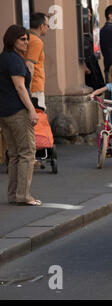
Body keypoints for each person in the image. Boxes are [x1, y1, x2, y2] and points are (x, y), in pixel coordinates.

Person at [0, 25, 41, 206]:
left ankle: (14, 195)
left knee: (15, 154)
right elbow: (20, 87)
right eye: (22, 39)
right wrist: (32, 109)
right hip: (17, 112)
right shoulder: (15, 60)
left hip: (4, 112)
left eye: (27, 39)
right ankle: (24, 195)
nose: (26, 42)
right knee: (27, 153)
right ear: (12, 41)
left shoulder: (3, 59)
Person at [24, 12, 49, 111]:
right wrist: (28, 90)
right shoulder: (36, 41)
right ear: (42, 26)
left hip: (31, 86)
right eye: (47, 26)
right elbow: (29, 65)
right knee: (39, 119)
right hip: (35, 87)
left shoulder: (27, 38)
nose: (48, 28)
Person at [83, 7, 105, 91]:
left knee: (97, 86)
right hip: (87, 64)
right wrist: (84, 65)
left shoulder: (87, 27)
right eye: (88, 12)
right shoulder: (78, 28)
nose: (90, 14)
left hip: (92, 62)